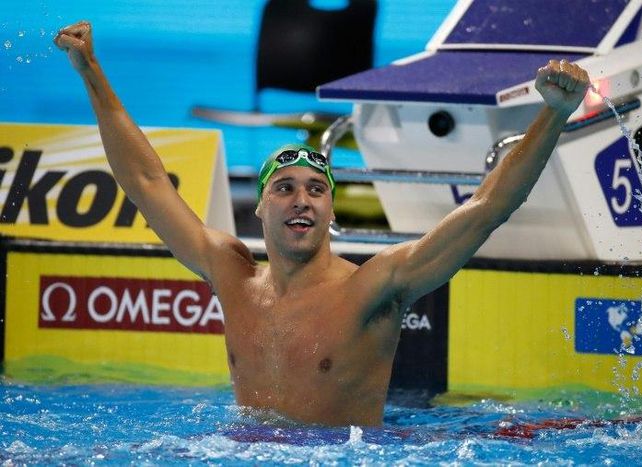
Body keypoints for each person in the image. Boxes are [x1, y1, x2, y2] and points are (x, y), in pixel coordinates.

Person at [55, 21, 590, 427]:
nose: (301, 201)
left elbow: (486, 209)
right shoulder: (232, 275)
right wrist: (91, 74)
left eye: (316, 191)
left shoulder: (374, 286)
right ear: (260, 207)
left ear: (330, 211)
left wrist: (554, 115)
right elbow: (148, 183)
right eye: (284, 189)